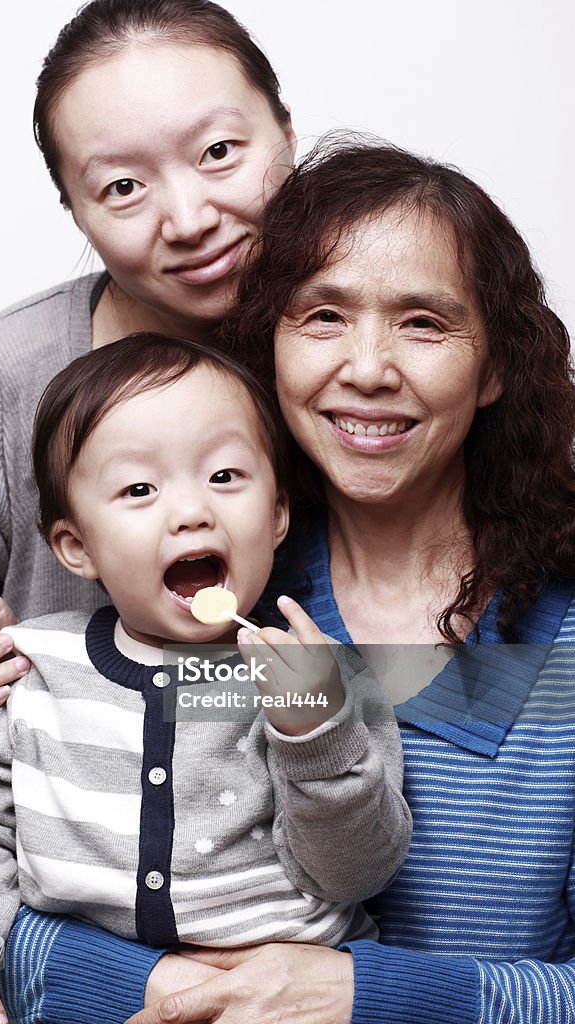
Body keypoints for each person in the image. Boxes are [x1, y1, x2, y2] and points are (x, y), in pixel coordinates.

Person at [116, 138, 575, 1024]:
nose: (366, 369)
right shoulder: (204, 597)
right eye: (322, 315)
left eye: (423, 323)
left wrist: (372, 997)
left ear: (493, 370)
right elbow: (21, 911)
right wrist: (162, 988)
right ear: (267, 346)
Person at [0, 334, 411, 1024]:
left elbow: (356, 875)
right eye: (139, 489)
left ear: (279, 515)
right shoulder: (37, 669)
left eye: (225, 477)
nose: (192, 511)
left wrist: (316, 737)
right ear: (76, 548)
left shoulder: (324, 680)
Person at [0, 0, 296, 725]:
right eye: (122, 188)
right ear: (75, 211)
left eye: (219, 152)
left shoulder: (347, 352)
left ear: (286, 135)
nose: (190, 219)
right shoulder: (16, 360)